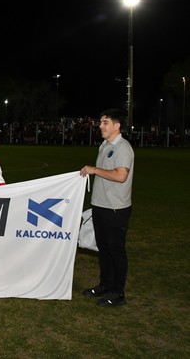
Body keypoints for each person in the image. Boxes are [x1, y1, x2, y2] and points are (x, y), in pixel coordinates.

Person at [79, 108, 134, 307]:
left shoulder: (123, 148)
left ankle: (118, 293)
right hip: (100, 206)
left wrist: (94, 170)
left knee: (115, 250)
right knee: (103, 248)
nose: (100, 126)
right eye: (100, 122)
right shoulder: (104, 145)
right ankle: (105, 285)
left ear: (117, 126)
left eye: (105, 122)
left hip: (115, 209)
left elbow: (121, 176)